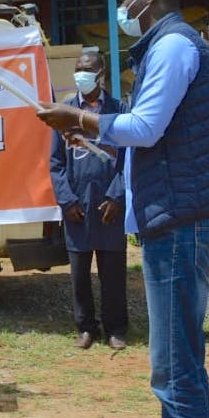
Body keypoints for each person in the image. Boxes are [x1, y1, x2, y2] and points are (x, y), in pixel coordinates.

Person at [37, 0, 209, 418]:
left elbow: (143, 127)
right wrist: (91, 136)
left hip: (180, 227)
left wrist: (81, 115)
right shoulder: (167, 48)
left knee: (177, 369)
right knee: (174, 366)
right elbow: (149, 145)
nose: (121, 9)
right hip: (175, 223)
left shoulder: (171, 47)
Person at [48, 52, 129, 351]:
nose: (81, 75)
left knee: (113, 272)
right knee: (79, 273)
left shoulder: (117, 110)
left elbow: (127, 161)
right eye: (78, 70)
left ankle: (116, 328)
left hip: (109, 205)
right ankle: (85, 328)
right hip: (78, 205)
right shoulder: (65, 111)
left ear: (101, 74)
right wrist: (67, 200)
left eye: (87, 70)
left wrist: (117, 196)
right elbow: (55, 163)